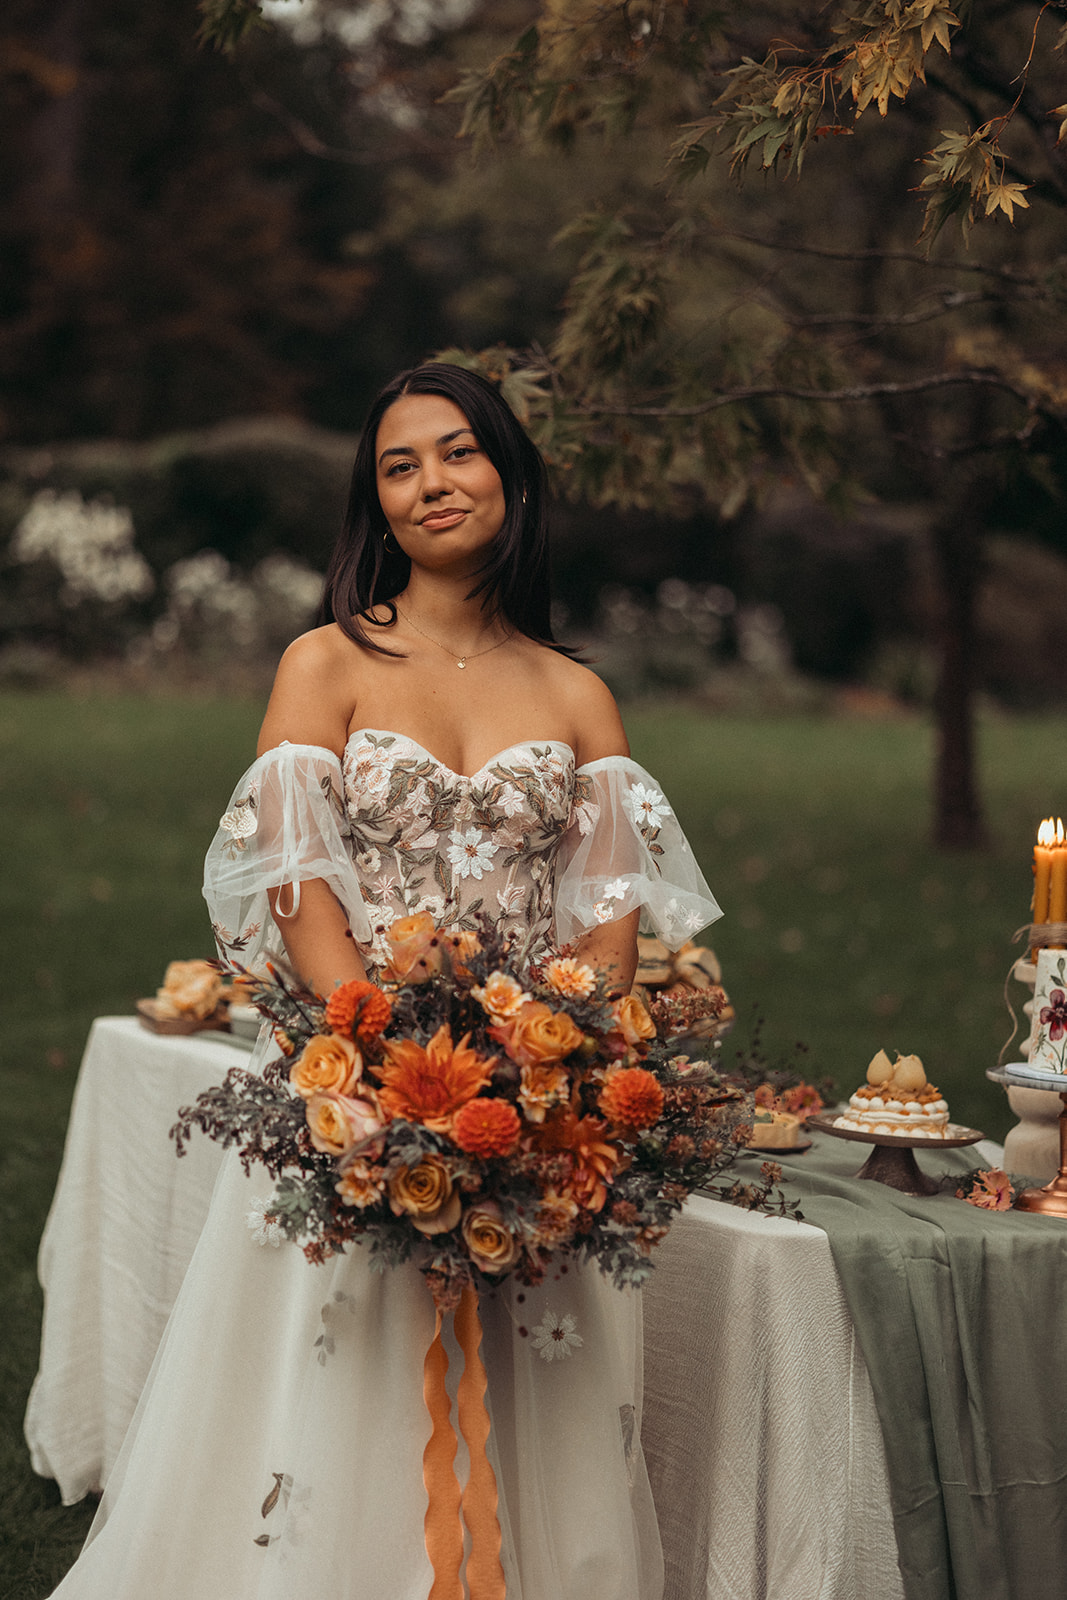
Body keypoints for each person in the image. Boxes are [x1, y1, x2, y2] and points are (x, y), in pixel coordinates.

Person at [49, 363, 720, 1599]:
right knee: (343, 1366)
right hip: (359, 1082)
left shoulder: (578, 694)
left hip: (528, 1091)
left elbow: (610, 925)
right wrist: (367, 1056)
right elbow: (296, 875)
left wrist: (538, 1066)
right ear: (377, 504)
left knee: (532, 1360)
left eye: (456, 453)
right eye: (397, 466)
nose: (429, 484)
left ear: (510, 476)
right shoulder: (326, 663)